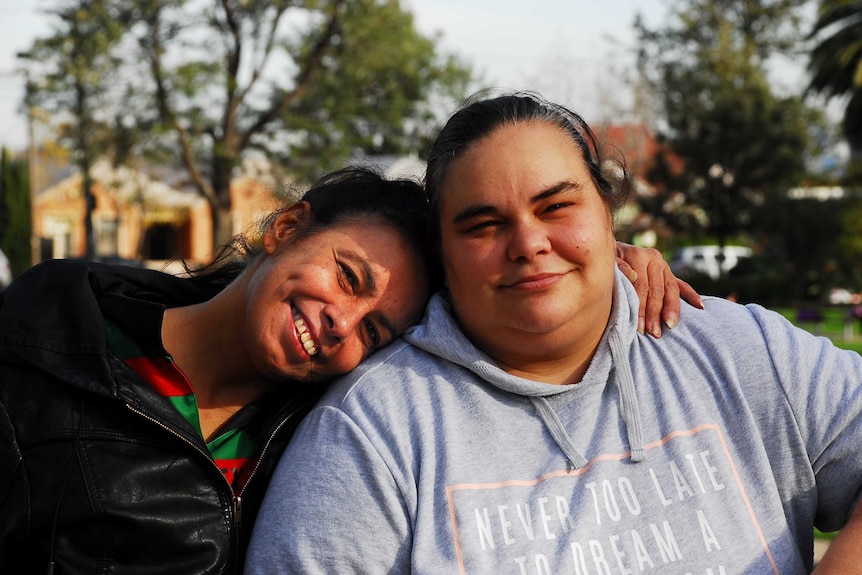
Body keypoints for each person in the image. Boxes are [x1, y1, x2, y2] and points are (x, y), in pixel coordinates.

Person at [246, 94, 862, 575]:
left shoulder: (740, 351)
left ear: (608, 213)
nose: (529, 244)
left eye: (558, 207)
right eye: (483, 225)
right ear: (444, 255)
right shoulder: (371, 434)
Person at [0, 166, 686, 575]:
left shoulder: (324, 431)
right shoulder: (43, 352)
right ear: (286, 227)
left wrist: (593, 263)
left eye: (375, 330)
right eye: (348, 276)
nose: (341, 322)